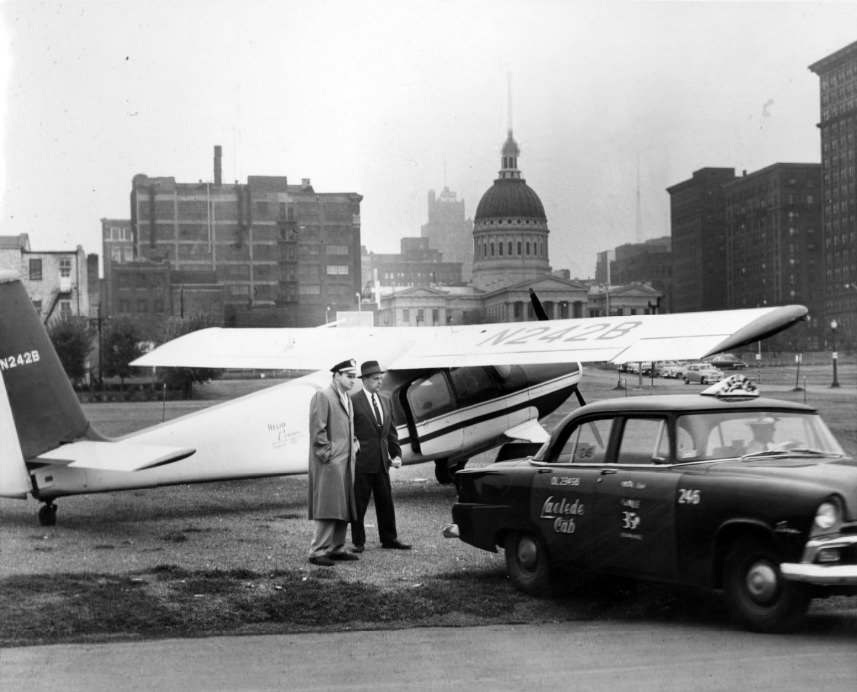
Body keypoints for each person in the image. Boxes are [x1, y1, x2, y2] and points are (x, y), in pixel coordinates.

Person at [350, 360, 411, 552]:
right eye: (376, 379)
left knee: (386, 503)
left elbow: (391, 432)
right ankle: (358, 542)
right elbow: (346, 428)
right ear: (365, 380)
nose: (380, 382)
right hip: (362, 463)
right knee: (359, 504)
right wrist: (352, 443)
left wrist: (397, 454)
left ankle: (389, 539)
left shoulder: (385, 400)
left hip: (382, 463)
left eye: (381, 378)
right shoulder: (353, 401)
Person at [307, 358, 360, 567]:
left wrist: (353, 442)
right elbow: (317, 431)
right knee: (328, 506)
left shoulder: (346, 397)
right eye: (349, 376)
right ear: (336, 375)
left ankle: (336, 548)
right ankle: (317, 551)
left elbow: (344, 426)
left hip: (346, 462)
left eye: (354, 376)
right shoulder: (323, 396)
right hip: (331, 463)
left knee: (343, 505)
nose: (353, 380)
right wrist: (327, 455)